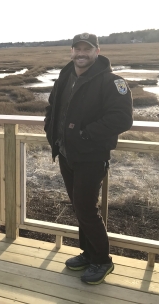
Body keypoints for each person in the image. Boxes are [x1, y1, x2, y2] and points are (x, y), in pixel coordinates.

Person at [44, 33, 133, 285]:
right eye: (78, 49)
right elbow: (52, 106)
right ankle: (88, 253)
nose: (81, 53)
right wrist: (50, 127)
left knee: (86, 209)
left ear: (97, 51)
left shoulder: (111, 81)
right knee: (79, 207)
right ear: (72, 51)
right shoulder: (65, 76)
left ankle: (103, 260)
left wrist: (86, 134)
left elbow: (122, 118)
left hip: (91, 156)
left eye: (87, 49)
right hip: (65, 153)